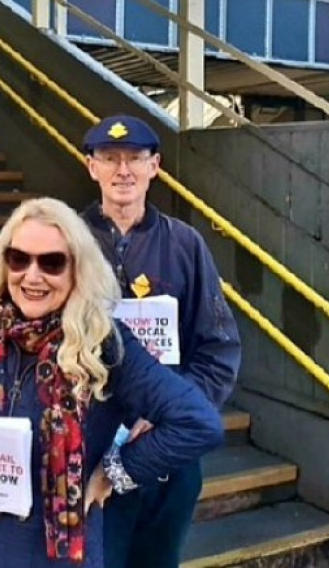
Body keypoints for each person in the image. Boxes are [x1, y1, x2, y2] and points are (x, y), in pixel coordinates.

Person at [0, 197, 225, 567]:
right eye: (19, 259)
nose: (32, 276)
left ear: (76, 270)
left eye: (51, 263)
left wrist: (115, 472)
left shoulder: (105, 345)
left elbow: (198, 423)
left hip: (58, 556)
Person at [80, 115, 241, 568]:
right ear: (91, 166)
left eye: (135, 158)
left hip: (166, 446)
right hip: (90, 446)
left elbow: (217, 349)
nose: (123, 170)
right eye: (110, 158)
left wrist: (173, 409)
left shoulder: (185, 244)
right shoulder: (67, 240)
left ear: (155, 166)